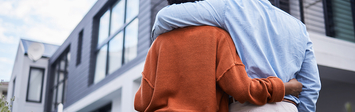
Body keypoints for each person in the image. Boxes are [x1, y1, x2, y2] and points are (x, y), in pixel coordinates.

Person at [151, 0, 321, 112]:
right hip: (289, 106)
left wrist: (160, 42)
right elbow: (311, 85)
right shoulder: (298, 27)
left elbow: (163, 18)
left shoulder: (228, 7)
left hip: (247, 105)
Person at [134, 26, 302, 112]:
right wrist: (286, 87)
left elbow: (141, 102)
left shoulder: (158, 44)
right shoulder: (218, 36)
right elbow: (243, 90)